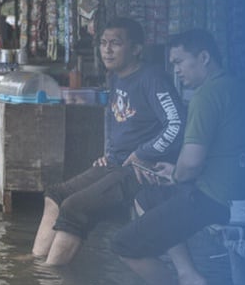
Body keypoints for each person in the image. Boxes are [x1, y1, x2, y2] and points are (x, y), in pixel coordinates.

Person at [110, 29, 245, 285]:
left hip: (215, 200)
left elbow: (191, 163)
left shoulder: (205, 97)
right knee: (146, 198)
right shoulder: (242, 87)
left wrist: (175, 175)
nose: (177, 71)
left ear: (204, 57)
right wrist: (175, 171)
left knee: (123, 244)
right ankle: (188, 275)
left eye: (179, 62)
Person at [31, 17, 185, 266]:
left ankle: (49, 277)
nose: (107, 49)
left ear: (136, 49)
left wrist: (144, 152)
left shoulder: (153, 78)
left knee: (74, 206)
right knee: (56, 195)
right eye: (103, 43)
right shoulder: (115, 77)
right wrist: (109, 151)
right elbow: (115, 120)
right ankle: (37, 260)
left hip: (140, 169)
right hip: (115, 162)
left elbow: (177, 124)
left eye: (115, 43)